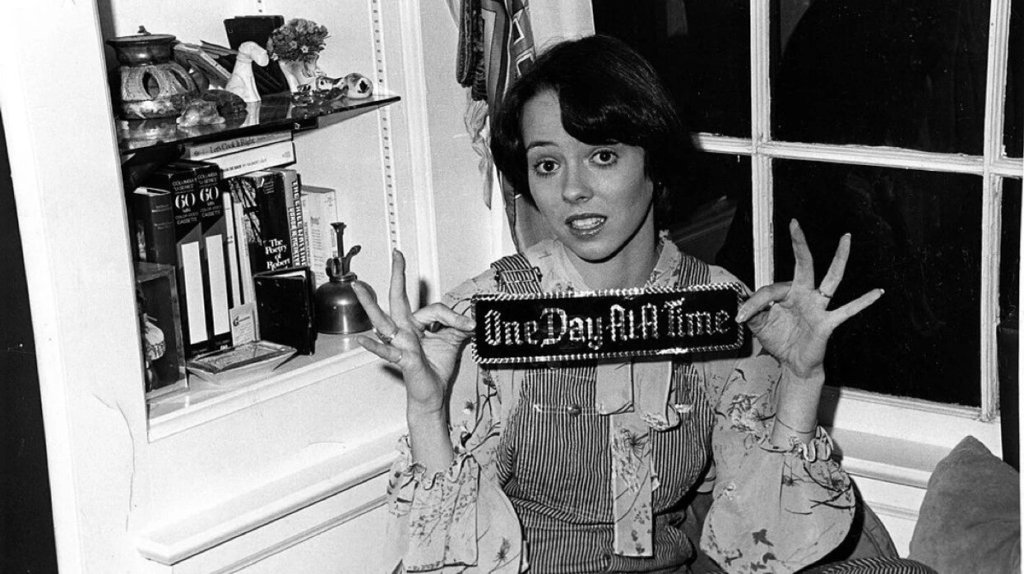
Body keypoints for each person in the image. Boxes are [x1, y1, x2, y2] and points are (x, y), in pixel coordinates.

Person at [354, 35, 897, 574]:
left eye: (602, 156)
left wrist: (800, 380)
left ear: (653, 162)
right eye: (547, 165)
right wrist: (427, 410)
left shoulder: (715, 307)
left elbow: (765, 546)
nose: (573, 190)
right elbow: (446, 559)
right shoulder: (483, 315)